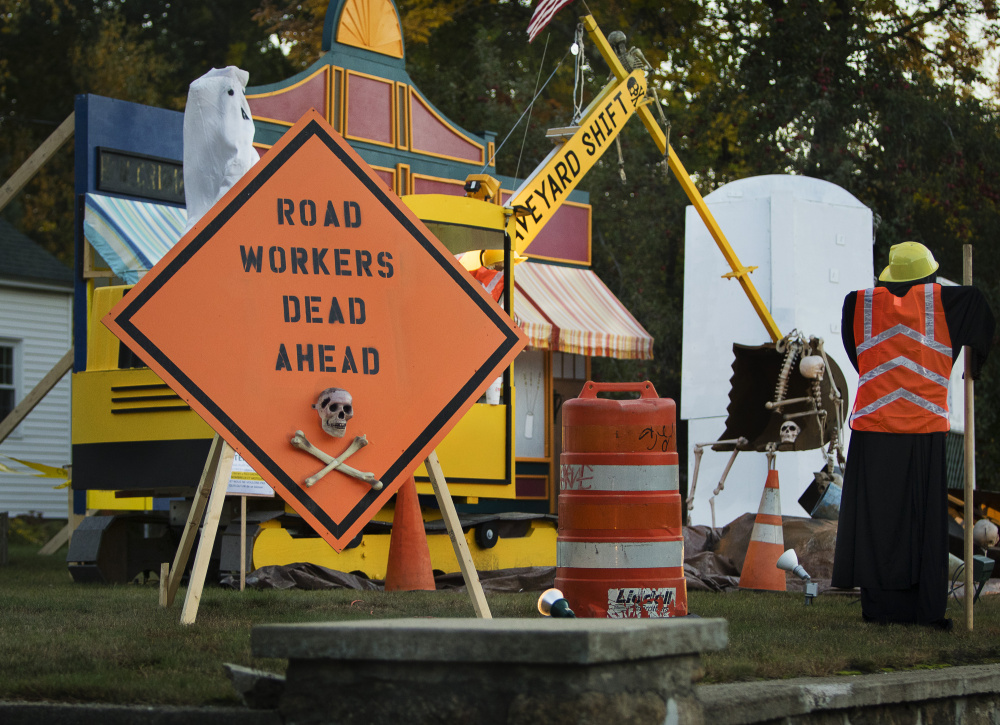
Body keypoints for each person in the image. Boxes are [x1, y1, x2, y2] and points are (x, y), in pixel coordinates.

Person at [832, 242, 995, 629]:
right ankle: (923, 609)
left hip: (874, 429)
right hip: (922, 427)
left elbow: (856, 354)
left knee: (879, 525)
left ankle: (879, 609)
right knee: (922, 526)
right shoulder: (946, 302)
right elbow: (981, 310)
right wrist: (974, 362)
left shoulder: (859, 303)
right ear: (928, 276)